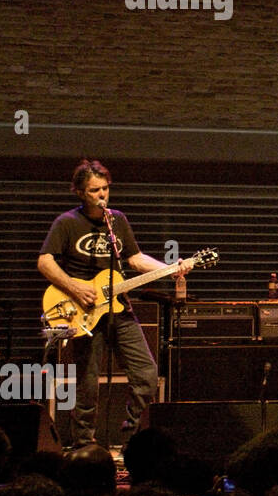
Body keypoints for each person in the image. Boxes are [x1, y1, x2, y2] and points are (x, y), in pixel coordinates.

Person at [38, 159, 192, 448]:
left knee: (146, 374)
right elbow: (44, 261)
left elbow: (134, 258)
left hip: (119, 308)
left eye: (105, 189)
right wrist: (74, 287)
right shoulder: (67, 222)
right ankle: (84, 444)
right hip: (83, 311)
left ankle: (129, 435)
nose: (102, 195)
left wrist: (171, 269)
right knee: (87, 383)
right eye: (95, 190)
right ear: (80, 193)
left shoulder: (117, 220)